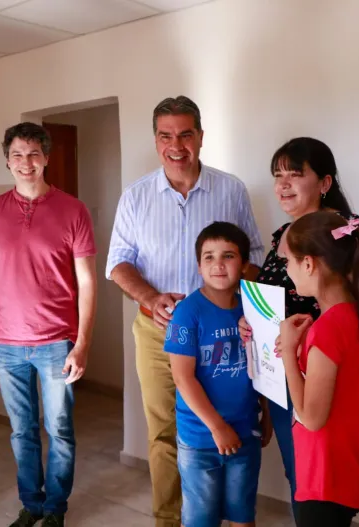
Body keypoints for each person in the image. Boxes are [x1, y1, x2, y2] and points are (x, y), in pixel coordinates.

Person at [106, 95, 264, 527]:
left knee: (225, 420)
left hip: (224, 333)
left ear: (201, 136)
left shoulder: (231, 189)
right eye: (166, 136)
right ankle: (168, 519)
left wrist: (236, 303)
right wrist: (150, 297)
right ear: (155, 140)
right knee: (164, 431)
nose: (176, 146)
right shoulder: (136, 196)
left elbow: (255, 256)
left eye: (185, 134)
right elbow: (118, 263)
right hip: (157, 331)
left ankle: (222, 514)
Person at [238, 137, 359, 522]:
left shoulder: (345, 234)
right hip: (283, 376)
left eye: (295, 174)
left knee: (319, 489)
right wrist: (255, 324)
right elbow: (275, 304)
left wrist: (320, 337)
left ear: (325, 183)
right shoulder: (282, 236)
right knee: (301, 476)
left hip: (319, 378)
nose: (283, 184)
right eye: (277, 175)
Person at [0, 122, 96, 527]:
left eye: (33, 154)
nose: (26, 163)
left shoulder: (73, 210)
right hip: (7, 342)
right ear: (7, 161)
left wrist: (82, 343)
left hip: (57, 341)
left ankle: (56, 508)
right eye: (17, 155)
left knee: (59, 429)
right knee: (21, 431)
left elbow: (87, 281)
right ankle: (32, 504)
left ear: (46, 158)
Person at [277, 211, 359, 527]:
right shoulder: (351, 317)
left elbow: (312, 418)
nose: (287, 269)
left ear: (308, 264)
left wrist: (288, 355)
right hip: (340, 468)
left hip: (326, 477)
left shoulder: (328, 329)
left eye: (289, 261)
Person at [164, 222, 271, 527]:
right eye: (209, 257)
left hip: (245, 431)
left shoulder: (254, 309)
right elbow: (183, 378)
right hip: (200, 437)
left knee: (243, 514)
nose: (218, 264)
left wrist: (265, 414)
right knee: (201, 519)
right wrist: (217, 427)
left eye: (228, 256)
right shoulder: (187, 312)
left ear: (245, 264)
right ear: (199, 266)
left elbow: (263, 367)